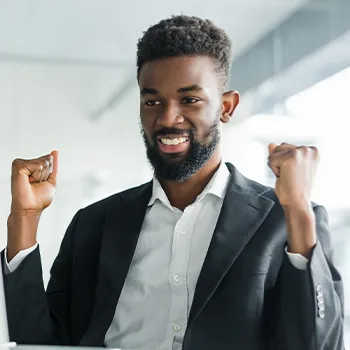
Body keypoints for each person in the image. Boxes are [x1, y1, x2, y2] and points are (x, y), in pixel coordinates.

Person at [1, 15, 344, 350]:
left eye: (189, 99)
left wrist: (297, 210)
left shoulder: (286, 221)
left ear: (226, 106)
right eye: (152, 101)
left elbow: (316, 343)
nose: (167, 118)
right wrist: (24, 220)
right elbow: (38, 343)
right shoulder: (94, 225)